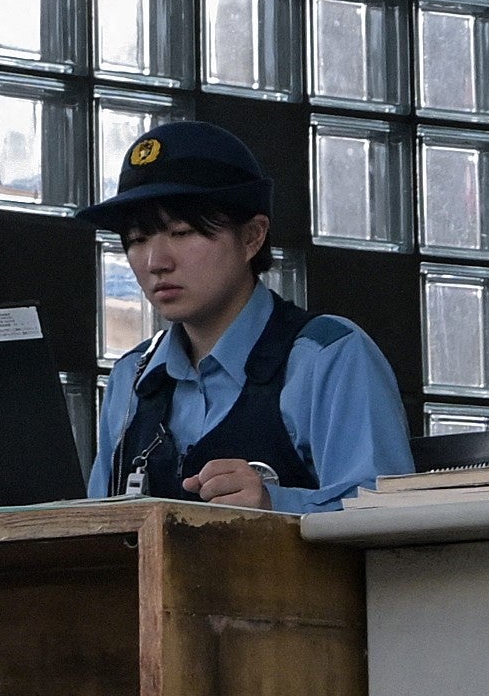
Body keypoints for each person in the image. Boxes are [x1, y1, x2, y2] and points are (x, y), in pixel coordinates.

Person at [75, 118, 409, 515]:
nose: (155, 262)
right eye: (136, 240)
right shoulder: (131, 379)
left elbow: (388, 518)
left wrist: (274, 503)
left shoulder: (326, 356)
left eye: (182, 233)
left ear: (252, 237)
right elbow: (97, 528)